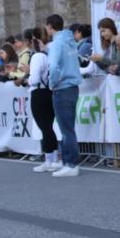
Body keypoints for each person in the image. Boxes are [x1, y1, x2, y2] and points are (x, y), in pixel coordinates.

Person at [46, 14, 82, 177]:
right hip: (73, 86)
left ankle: (71, 163)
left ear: (49, 26)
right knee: (68, 127)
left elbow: (53, 66)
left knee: (65, 128)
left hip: (62, 87)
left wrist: (52, 83)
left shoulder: (56, 44)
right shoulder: (70, 41)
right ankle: (68, 162)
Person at [27, 28, 59, 173]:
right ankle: (54, 158)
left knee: (44, 127)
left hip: (38, 93)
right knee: (49, 126)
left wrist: (27, 80)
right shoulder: (49, 55)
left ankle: (49, 160)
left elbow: (33, 79)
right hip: (49, 92)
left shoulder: (36, 57)